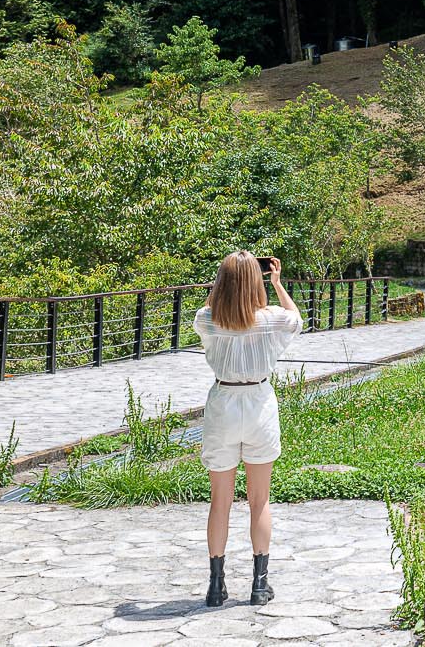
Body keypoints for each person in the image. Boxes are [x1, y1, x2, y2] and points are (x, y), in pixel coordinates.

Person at [193, 250, 304, 607]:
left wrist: (224, 282)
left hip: (223, 402)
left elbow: (211, 306)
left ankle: (215, 585)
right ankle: (259, 584)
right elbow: (295, 318)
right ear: (258, 279)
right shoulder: (271, 320)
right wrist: (276, 282)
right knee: (260, 500)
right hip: (258, 402)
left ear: (221, 282)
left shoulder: (208, 320)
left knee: (220, 503)